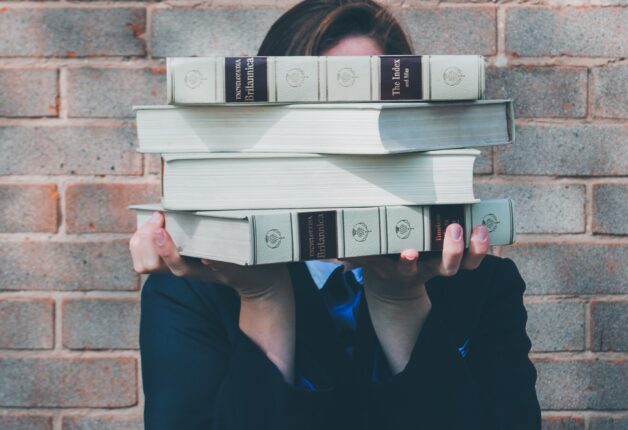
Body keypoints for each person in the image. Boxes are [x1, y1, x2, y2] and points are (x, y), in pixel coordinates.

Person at [130, 0, 541, 428]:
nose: (349, 146)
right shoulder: (196, 287)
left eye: (370, 113)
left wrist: (401, 303)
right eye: (318, 116)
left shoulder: (483, 285)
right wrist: (263, 299)